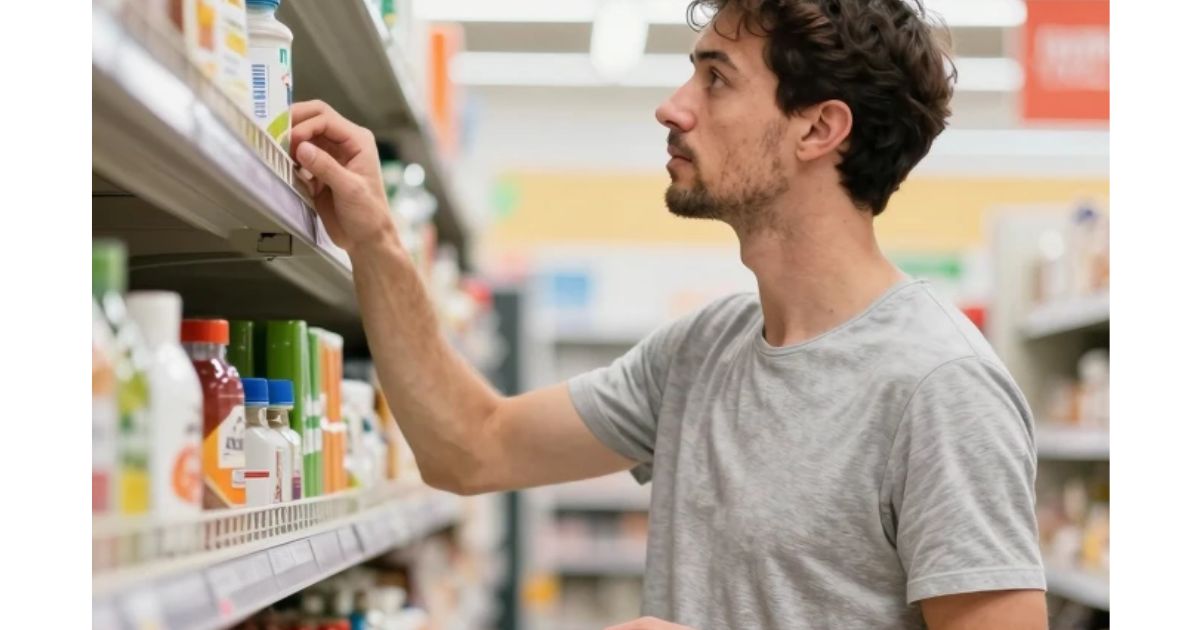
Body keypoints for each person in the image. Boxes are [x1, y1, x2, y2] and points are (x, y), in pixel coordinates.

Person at [288, 0, 1048, 627]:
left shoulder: (940, 387)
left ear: (819, 129)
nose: (673, 106)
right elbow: (470, 448)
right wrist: (378, 240)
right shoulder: (702, 351)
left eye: (715, 80)